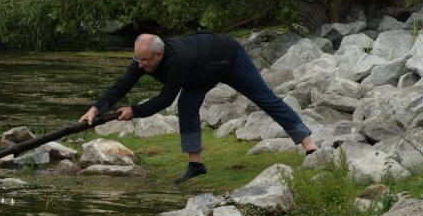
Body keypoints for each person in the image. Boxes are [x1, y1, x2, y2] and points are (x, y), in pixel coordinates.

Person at [79, 32, 318, 183]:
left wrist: (135, 111)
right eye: (137, 60)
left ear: (159, 55)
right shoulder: (142, 60)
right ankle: (196, 164)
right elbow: (122, 84)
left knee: (265, 98)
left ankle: (310, 146)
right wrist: (96, 109)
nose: (139, 65)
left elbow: (164, 99)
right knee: (187, 105)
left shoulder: (177, 61)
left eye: (145, 61)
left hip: (229, 60)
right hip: (200, 71)